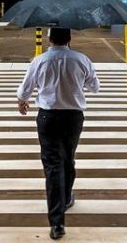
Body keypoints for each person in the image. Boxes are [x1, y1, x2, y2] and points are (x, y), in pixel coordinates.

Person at [16, 26, 100, 240]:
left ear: (49, 39)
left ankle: (57, 223)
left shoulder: (40, 60)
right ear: (69, 38)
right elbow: (95, 87)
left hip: (48, 117)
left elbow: (26, 87)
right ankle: (65, 198)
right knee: (68, 159)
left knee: (53, 165)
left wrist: (22, 101)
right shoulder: (81, 59)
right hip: (73, 117)